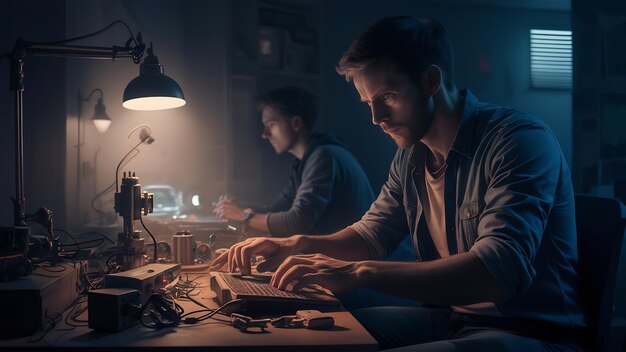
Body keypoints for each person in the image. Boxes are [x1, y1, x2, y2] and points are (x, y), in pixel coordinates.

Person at [210, 17, 585, 351]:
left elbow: (498, 271)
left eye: (387, 96)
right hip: (453, 320)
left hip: (531, 332)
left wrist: (358, 273)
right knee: (302, 338)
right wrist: (295, 243)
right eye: (367, 102)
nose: (376, 117)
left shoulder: (518, 140)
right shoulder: (410, 156)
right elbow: (372, 235)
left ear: (431, 80)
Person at [214, 86, 374, 237]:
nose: (265, 134)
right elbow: (276, 209)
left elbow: (297, 221)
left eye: (271, 124)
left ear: (296, 123)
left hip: (358, 262)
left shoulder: (324, 157)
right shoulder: (306, 161)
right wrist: (234, 207)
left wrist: (242, 215)